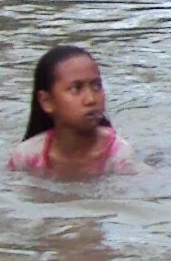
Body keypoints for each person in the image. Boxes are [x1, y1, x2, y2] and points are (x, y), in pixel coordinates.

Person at [8, 45, 140, 178]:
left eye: (96, 86)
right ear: (46, 101)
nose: (90, 99)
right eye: (76, 88)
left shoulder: (120, 158)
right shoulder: (26, 158)